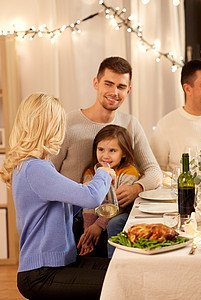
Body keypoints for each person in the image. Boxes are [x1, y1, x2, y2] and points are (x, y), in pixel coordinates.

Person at [0, 93, 116, 300]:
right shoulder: (35, 168)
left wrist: (85, 189)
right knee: (119, 282)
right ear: (51, 127)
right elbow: (91, 198)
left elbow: (68, 205)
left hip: (60, 263)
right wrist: (103, 173)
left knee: (122, 270)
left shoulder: (36, 166)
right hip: (42, 273)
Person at [51, 56, 162, 208]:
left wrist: (137, 188)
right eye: (108, 84)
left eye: (121, 87)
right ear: (96, 83)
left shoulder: (131, 124)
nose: (114, 92)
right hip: (71, 216)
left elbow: (154, 172)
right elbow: (48, 175)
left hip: (113, 214)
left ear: (128, 91)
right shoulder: (66, 123)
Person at [78, 125, 139, 258]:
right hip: (97, 213)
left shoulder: (129, 172)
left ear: (123, 153)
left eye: (112, 150)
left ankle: (113, 262)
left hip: (121, 212)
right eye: (101, 149)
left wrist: (98, 226)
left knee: (115, 223)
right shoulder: (90, 172)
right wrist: (88, 230)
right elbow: (87, 202)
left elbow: (119, 205)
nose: (105, 156)